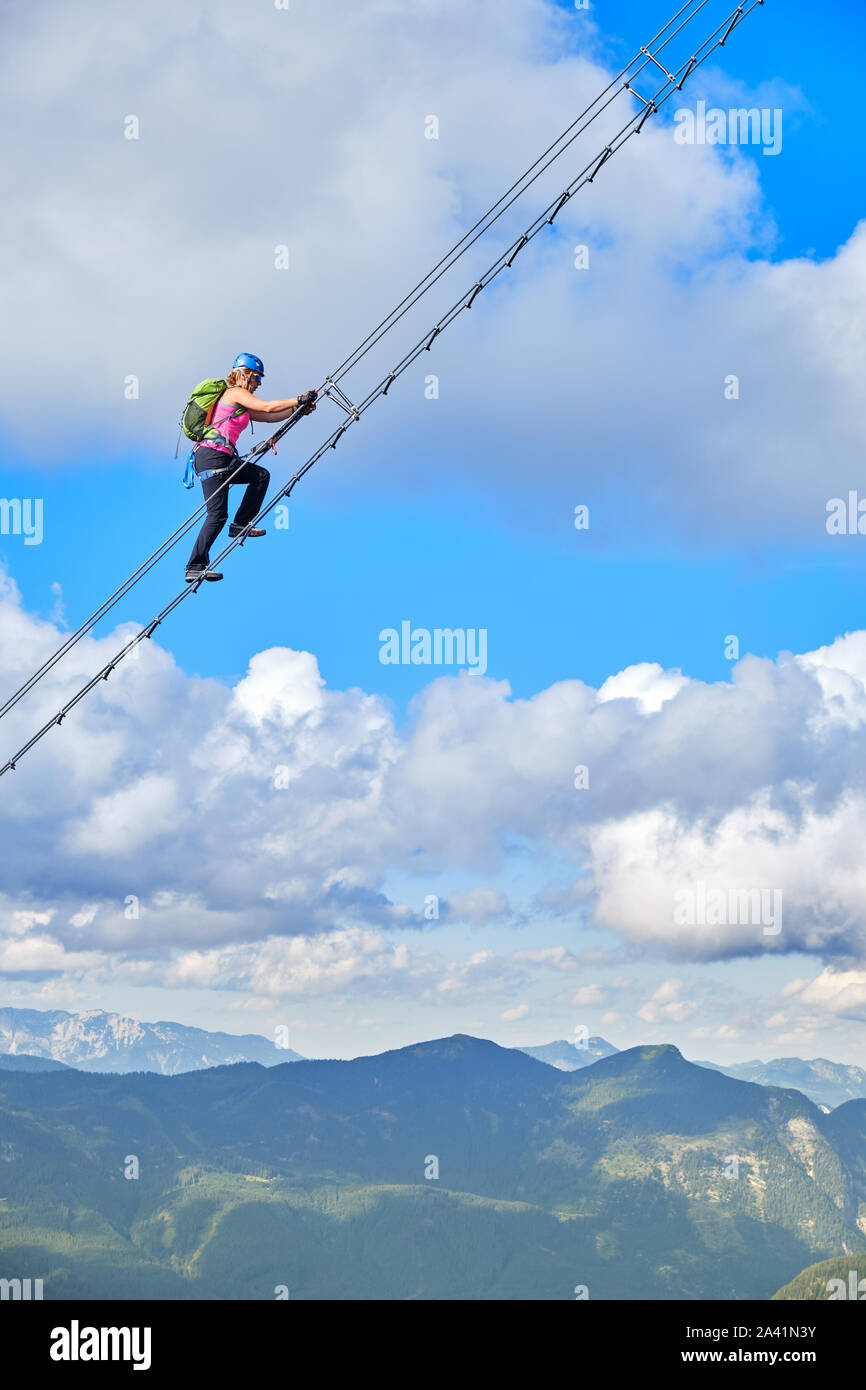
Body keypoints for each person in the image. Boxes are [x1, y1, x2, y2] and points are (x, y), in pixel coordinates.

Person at [185, 353, 317, 582]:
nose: (259, 384)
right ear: (244, 375)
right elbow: (267, 407)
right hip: (212, 457)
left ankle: (240, 524)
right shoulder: (235, 393)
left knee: (260, 476)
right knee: (217, 514)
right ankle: (195, 566)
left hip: (223, 458)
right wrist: (298, 399)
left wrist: (299, 410)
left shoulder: (241, 401)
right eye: (256, 378)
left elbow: (267, 417)